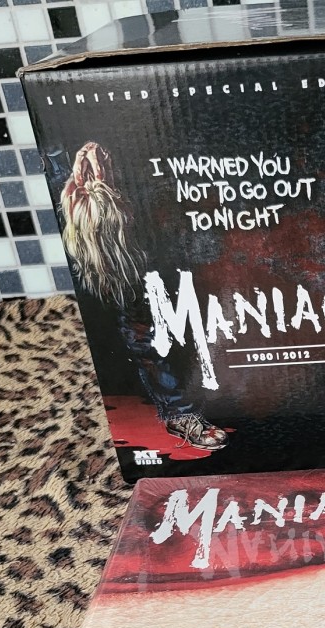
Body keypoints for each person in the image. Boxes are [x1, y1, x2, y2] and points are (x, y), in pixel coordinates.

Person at [56, 141, 227, 451]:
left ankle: (181, 409)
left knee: (163, 332)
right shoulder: (83, 209)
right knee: (141, 337)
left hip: (138, 252)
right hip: (105, 258)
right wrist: (84, 178)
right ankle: (178, 413)